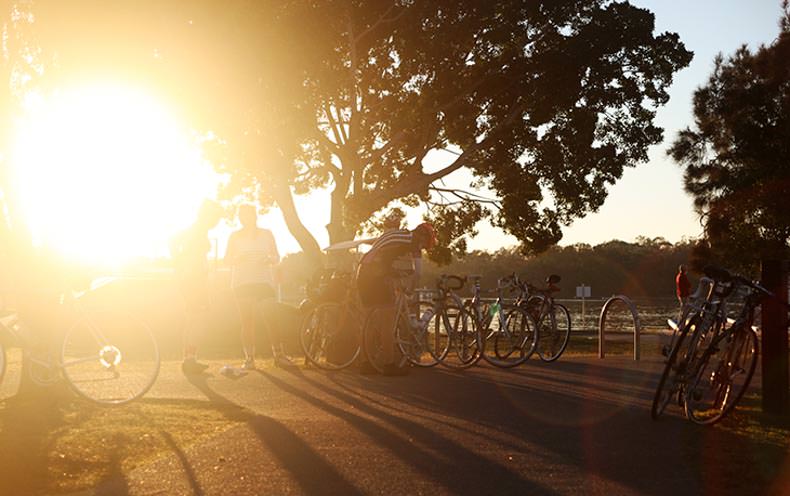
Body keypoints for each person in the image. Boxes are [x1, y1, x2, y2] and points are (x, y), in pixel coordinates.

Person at [355, 222, 436, 375]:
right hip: (377, 276)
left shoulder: (399, 235)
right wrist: (410, 289)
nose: (422, 248)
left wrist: (395, 274)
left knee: (368, 324)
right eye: (424, 245)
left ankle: (366, 364)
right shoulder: (412, 240)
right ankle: (389, 365)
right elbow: (417, 273)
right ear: (422, 237)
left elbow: (385, 256)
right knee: (388, 323)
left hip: (363, 273)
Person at [225, 204, 291, 369]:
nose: (244, 218)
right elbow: (226, 260)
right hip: (242, 282)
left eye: (247, 215)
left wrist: (270, 259)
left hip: (263, 281)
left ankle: (279, 355)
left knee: (271, 319)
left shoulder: (267, 234)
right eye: (241, 216)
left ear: (254, 216)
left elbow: (276, 256)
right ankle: (249, 359)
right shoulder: (234, 236)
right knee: (247, 321)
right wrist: (236, 260)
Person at [170, 200, 223, 375]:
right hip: (194, 280)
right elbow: (174, 242)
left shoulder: (197, 229)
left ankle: (188, 359)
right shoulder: (198, 230)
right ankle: (190, 358)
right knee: (199, 318)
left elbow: (174, 242)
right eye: (216, 217)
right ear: (208, 215)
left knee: (192, 318)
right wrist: (181, 263)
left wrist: (179, 262)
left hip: (190, 279)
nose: (217, 221)